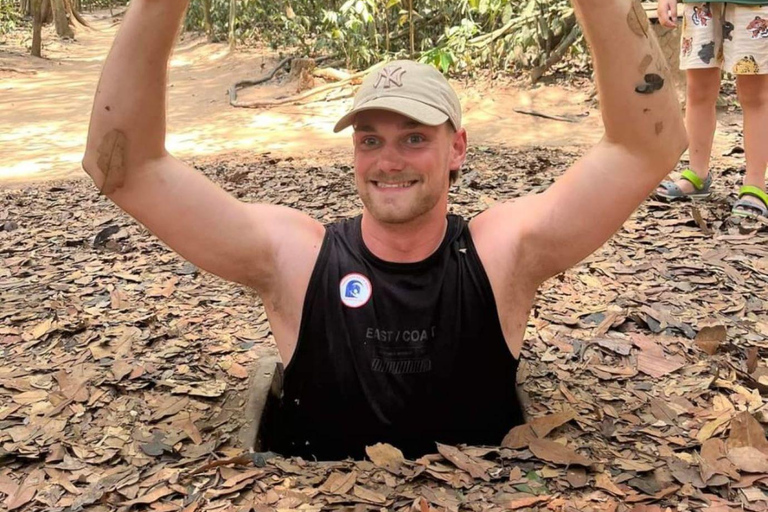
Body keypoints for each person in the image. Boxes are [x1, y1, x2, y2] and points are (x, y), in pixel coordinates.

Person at [82, 0, 686, 461]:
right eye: (369, 139)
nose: (388, 160)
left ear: (457, 149)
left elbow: (643, 150)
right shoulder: (295, 260)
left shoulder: (504, 254)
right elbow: (126, 169)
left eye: (414, 138)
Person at [656, 0, 768, 219]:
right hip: (700, 4)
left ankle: (755, 184)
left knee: (755, 96)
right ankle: (697, 174)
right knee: (698, 90)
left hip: (755, 5)